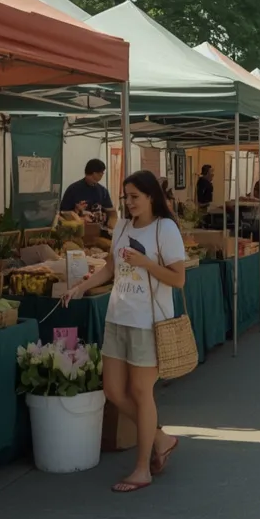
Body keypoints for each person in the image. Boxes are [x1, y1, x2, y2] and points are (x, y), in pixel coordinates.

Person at [63, 170, 184, 493]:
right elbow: (110, 268)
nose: (129, 203)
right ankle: (160, 438)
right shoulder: (122, 227)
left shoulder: (165, 229)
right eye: (126, 197)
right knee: (114, 391)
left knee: (142, 393)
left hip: (149, 322)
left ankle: (142, 468)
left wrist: (145, 262)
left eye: (135, 197)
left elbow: (178, 279)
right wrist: (80, 287)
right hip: (118, 318)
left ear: (150, 197)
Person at [60, 159, 115, 227]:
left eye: (96, 180)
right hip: (79, 230)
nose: (94, 182)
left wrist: (112, 224)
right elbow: (63, 214)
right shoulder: (73, 190)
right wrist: (77, 212)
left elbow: (111, 213)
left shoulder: (103, 191)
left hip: (99, 230)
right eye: (92, 178)